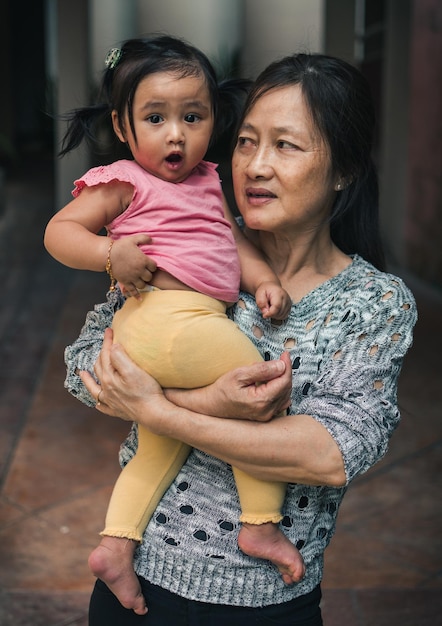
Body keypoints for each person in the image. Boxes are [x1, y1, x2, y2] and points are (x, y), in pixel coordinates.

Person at [70, 51, 417, 625]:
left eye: (286, 145)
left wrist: (163, 409)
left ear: (344, 168)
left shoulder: (374, 303)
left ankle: (262, 528)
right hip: (138, 594)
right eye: (247, 142)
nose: (254, 166)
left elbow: (329, 454)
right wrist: (206, 404)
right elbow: (88, 366)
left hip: (263, 608)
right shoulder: (187, 248)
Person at [44, 35, 303, 617]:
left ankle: (115, 545)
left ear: (214, 118)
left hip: (179, 333)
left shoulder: (210, 181)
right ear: (123, 126)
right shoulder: (122, 181)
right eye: (155, 118)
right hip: (166, 320)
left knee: (158, 446)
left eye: (193, 116)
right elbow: (58, 233)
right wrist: (112, 256)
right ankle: (260, 523)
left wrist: (260, 279)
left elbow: (231, 243)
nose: (177, 134)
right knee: (261, 394)